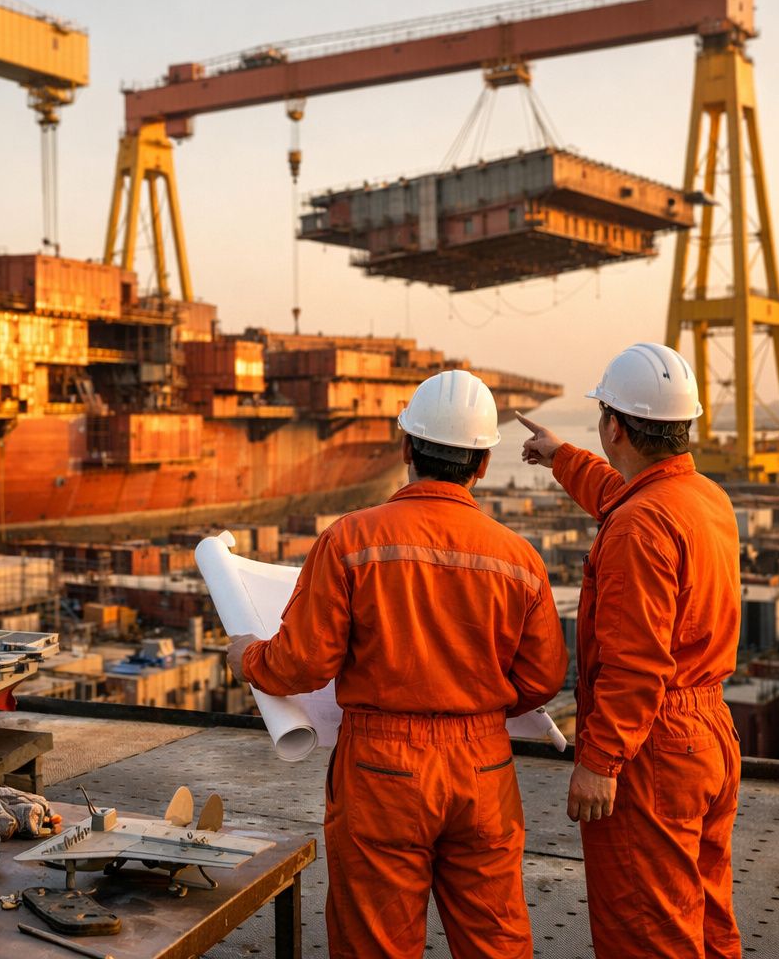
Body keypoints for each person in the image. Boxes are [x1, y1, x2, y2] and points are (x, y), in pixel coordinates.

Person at [227, 369, 567, 959]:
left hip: (383, 772)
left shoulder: (351, 541)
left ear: (406, 446)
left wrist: (247, 657)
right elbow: (541, 680)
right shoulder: (519, 558)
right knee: (497, 942)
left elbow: (302, 664)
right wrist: (474, 705)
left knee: (375, 945)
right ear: (482, 465)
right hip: (483, 770)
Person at [518, 342, 743, 958]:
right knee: (704, 916)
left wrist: (601, 761)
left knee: (646, 933)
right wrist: (562, 456)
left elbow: (635, 662)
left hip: (653, 751)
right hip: (708, 736)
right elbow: (624, 495)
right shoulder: (702, 498)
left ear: (614, 426)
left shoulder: (641, 526)